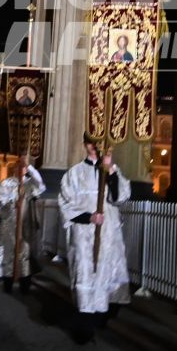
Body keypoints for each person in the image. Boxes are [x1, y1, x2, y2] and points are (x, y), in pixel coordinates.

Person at [58, 138, 129, 338]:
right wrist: (88, 217)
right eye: (91, 143)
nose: (95, 146)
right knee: (86, 274)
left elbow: (120, 197)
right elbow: (66, 203)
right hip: (84, 234)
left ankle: (101, 314)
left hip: (108, 235)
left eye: (99, 143)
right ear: (85, 145)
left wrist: (110, 171)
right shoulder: (75, 173)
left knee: (106, 274)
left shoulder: (111, 170)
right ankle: (84, 324)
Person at [0, 153, 45, 290]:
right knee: (9, 252)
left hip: (25, 223)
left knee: (24, 252)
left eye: (24, 167)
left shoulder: (31, 184)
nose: (21, 169)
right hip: (9, 222)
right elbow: (1, 201)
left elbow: (41, 186)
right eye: (19, 166)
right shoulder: (7, 183)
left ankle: (25, 283)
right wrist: (13, 203)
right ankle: (8, 281)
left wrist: (30, 166)